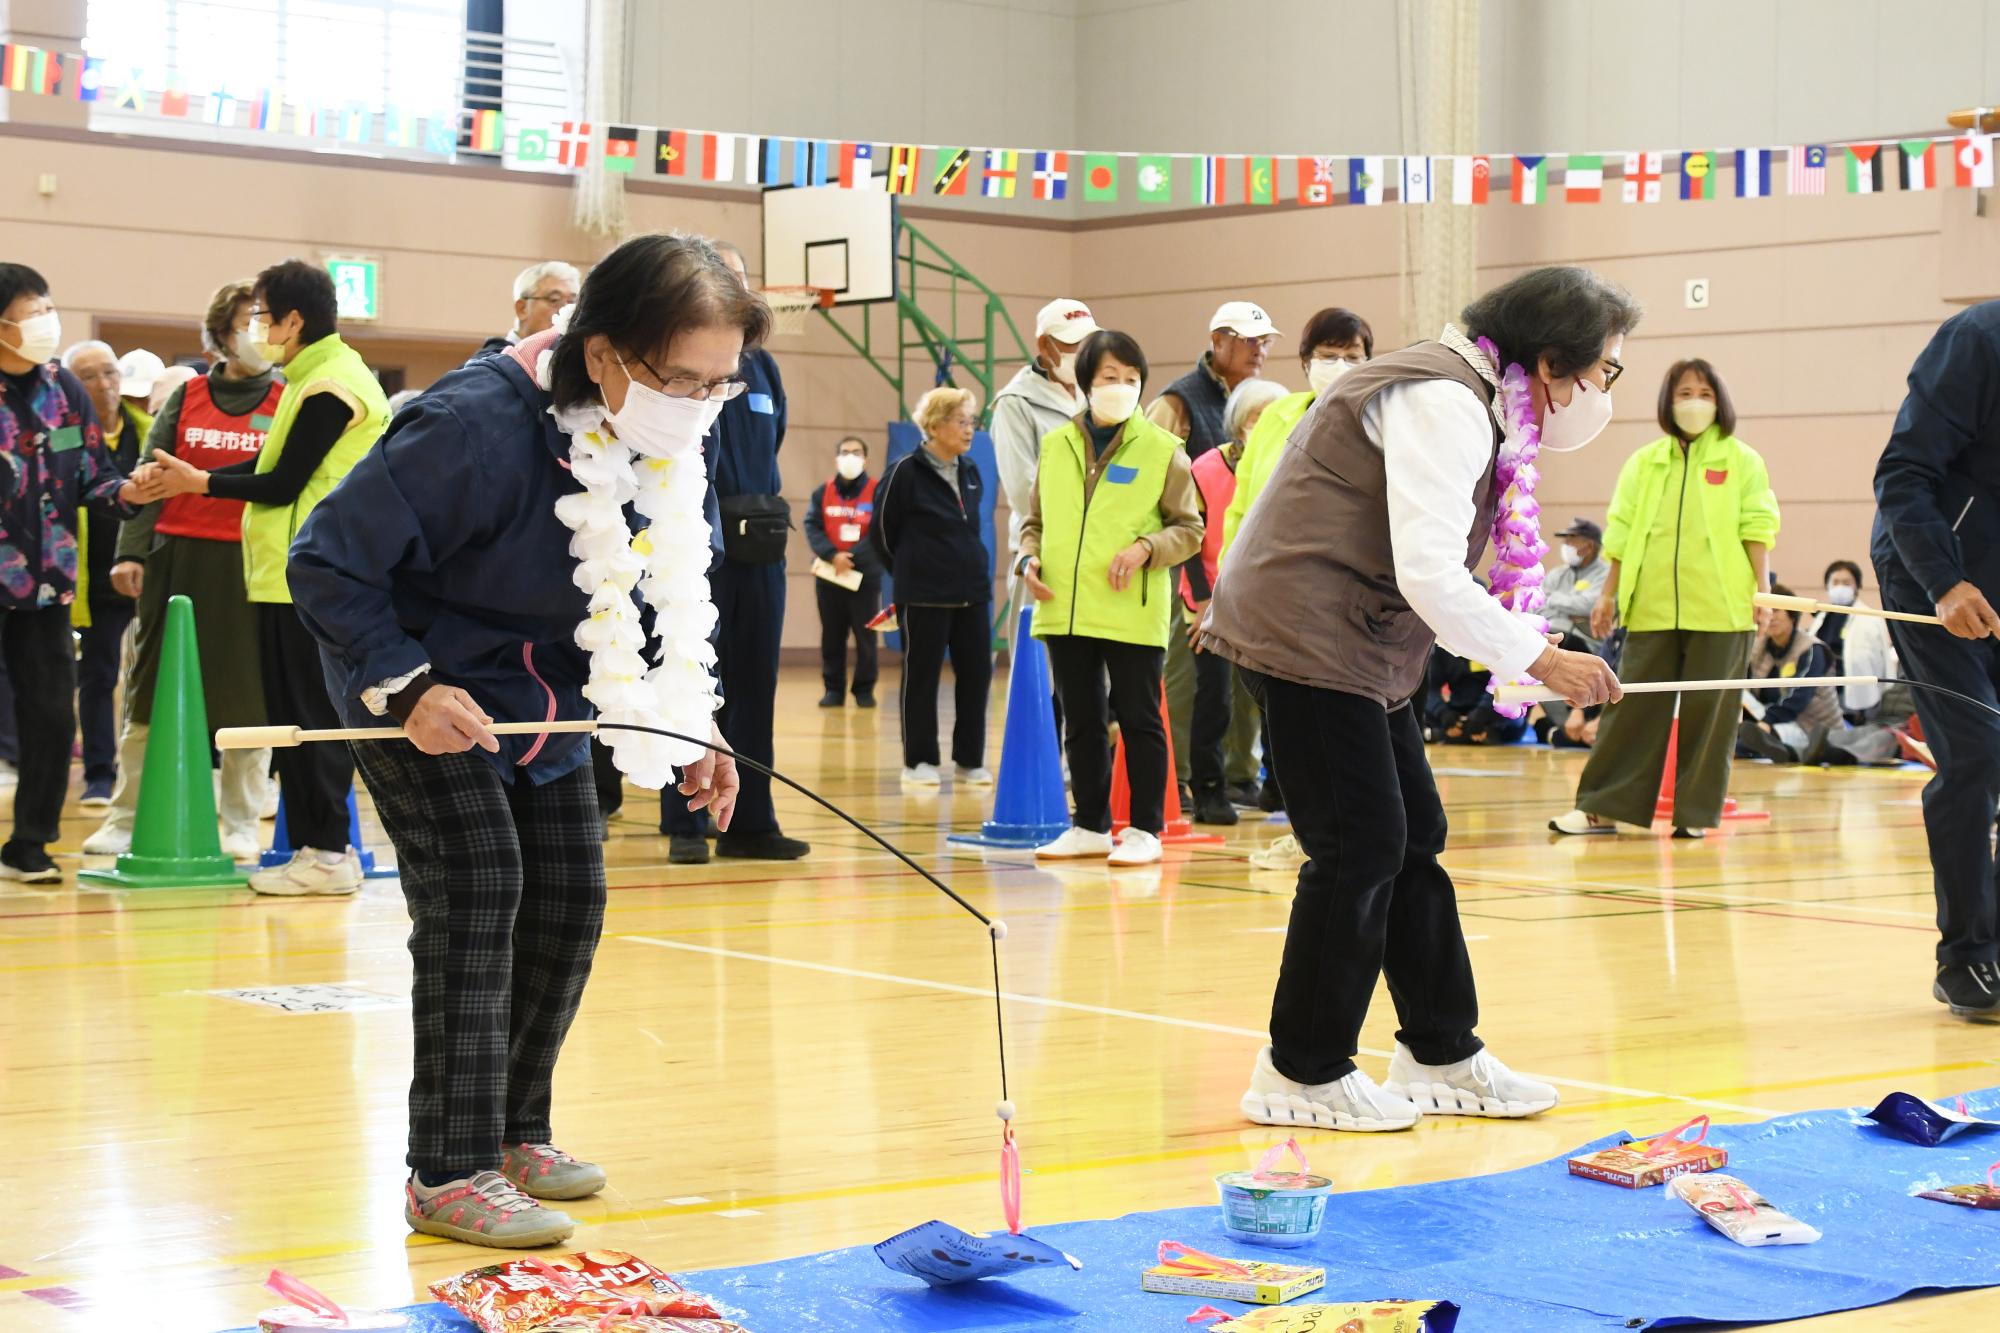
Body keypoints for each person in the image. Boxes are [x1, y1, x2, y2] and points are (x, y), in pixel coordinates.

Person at [289, 231, 751, 1248]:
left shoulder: (668, 435)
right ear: (603, 353)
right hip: (425, 683)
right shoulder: (467, 426)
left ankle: (512, 1131)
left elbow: (660, 591)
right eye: (682, 378)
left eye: (721, 382)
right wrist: (406, 684)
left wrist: (690, 720)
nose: (701, 401)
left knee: (570, 899)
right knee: (480, 884)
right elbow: (323, 561)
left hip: (553, 696)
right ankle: (445, 1168)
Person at [1202, 265, 1633, 1131]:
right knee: (1360, 845)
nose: (1601, 391)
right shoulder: (1443, 401)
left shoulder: (1467, 393)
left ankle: (1441, 1050)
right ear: (1548, 362)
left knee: (1412, 839)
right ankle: (1301, 1069)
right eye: (1602, 371)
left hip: (1361, 634)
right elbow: (1430, 570)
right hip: (1308, 631)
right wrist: (1541, 660)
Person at [143, 259, 390, 894]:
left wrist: (201, 483)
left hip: (317, 576)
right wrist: (195, 474)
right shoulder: (309, 379)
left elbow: (283, 482)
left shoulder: (334, 384)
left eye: (261, 315)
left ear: (293, 320)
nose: (256, 327)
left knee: (313, 717)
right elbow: (276, 459)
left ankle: (331, 854)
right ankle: (312, 848)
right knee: (291, 717)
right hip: (285, 577)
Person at [86, 280, 284, 862]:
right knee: (148, 690)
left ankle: (242, 821)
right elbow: (148, 475)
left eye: (266, 322)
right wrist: (130, 549)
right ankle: (127, 817)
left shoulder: (289, 398)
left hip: (249, 562)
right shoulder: (189, 394)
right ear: (223, 334)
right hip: (175, 558)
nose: (260, 334)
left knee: (249, 696)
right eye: (249, 322)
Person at [1551, 358, 1779, 840]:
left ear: (1719, 402)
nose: (1693, 403)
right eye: (1683, 394)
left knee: (1710, 715)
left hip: (1723, 610)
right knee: (1630, 706)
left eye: (1703, 394)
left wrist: (1762, 592)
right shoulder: (1644, 462)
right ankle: (1600, 807)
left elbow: (1757, 528)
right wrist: (1608, 595)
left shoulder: (1743, 461)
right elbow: (1621, 533)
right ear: (1667, 403)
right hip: (1650, 606)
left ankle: (1694, 812)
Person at [1018, 329, 1203, 868]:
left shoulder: (1164, 451)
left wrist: (1147, 547)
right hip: (1064, 607)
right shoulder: (1055, 447)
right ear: (1086, 383)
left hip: (1131, 607)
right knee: (1080, 719)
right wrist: (1027, 560)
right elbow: (1034, 523)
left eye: (1130, 379)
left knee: (1141, 719)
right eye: (1109, 378)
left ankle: (1145, 828)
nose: (1120, 387)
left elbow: (1189, 529)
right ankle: (1089, 825)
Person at [0, 263, 159, 883]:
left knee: (50, 716)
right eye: (29, 312)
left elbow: (92, 476)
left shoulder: (62, 387)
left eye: (46, 308)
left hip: (45, 585)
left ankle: (28, 844)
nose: (44, 322)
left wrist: (136, 490)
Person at [1871, 300, 2000, 1019]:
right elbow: (1903, 473)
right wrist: (1945, 582)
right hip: (1929, 575)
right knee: (1978, 753)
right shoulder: (1977, 340)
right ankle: (1967, 959)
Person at [661, 240, 807, 866]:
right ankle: (687, 824)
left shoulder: (765, 367)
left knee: (756, 686)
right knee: (691, 680)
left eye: (743, 282)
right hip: (698, 546)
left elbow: (771, 440)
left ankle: (752, 822)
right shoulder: (677, 363)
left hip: (762, 549)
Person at [1219, 307, 1374, 825]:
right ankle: (1298, 818)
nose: (1340, 365)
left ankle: (1315, 828)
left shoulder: (1378, 420)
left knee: (1324, 730)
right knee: (1280, 721)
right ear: (1306, 361)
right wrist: (1225, 585)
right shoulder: (1279, 417)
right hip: (1263, 595)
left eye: (1353, 356)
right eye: (1329, 356)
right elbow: (1242, 507)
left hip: (1335, 602)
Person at [1175, 377, 1285, 825]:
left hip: (1268, 605)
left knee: (1275, 701)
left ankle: (1275, 785)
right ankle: (1208, 789)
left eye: (1271, 418)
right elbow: (1188, 542)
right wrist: (1202, 605)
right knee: (1214, 698)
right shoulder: (1205, 468)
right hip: (1210, 601)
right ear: (1239, 422)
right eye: (1256, 417)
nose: (1263, 426)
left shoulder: (1289, 466)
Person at [871, 388, 993, 786]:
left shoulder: (971, 471)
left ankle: (969, 760)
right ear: (936, 424)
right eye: (962, 421)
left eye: (972, 421)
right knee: (922, 677)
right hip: (922, 593)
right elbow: (882, 533)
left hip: (972, 592)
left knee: (976, 675)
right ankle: (918, 761)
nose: (969, 429)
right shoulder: (904, 470)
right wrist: (912, 569)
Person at [61, 340, 149, 808]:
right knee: (97, 675)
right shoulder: (65, 435)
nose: (103, 384)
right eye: (88, 376)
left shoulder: (150, 430)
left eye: (110, 372)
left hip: (149, 575)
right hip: (89, 580)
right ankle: (99, 773)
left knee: (154, 673)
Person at [1736, 584, 1900, 767]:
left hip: (1813, 726)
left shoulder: (1811, 648)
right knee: (1740, 734)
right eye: (1766, 611)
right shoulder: (1758, 648)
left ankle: (1783, 749)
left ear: (1792, 615)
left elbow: (1800, 696)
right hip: (1773, 720)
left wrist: (1767, 722)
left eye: (1776, 610)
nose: (1771, 616)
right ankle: (1769, 746)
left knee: (1750, 742)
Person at [992, 299, 1096, 580]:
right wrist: (1078, 525)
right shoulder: (1015, 402)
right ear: (1044, 345)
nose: (1083, 351)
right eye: (1073, 342)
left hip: (1097, 548)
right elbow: (1021, 488)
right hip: (1041, 550)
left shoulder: (1097, 391)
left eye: (1088, 341)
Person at [804, 436, 884, 709]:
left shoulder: (877, 491)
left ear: (866, 458)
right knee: (832, 635)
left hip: (865, 578)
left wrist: (851, 558)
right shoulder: (821, 493)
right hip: (830, 575)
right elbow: (812, 525)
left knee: (866, 636)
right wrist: (833, 556)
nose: (851, 457)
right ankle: (833, 689)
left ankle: (864, 690)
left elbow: (881, 531)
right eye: (845, 452)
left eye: (857, 452)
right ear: (837, 458)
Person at [1146, 300, 1278, 461]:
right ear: (1217, 340)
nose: (1260, 351)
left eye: (1266, 342)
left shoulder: (1262, 402)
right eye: (1249, 340)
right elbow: (1149, 464)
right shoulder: (1176, 403)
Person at [475, 260, 580, 358]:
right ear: (522, 309)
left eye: (572, 302)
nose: (565, 310)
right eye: (554, 299)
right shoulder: (489, 363)